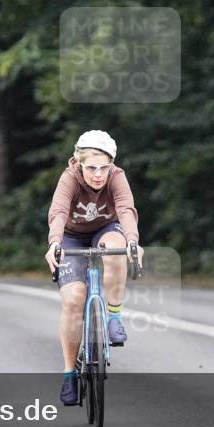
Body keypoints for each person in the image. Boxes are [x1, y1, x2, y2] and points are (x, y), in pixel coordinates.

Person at [45, 130, 144, 406]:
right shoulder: (69, 178)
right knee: (74, 299)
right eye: (92, 168)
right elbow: (59, 212)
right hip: (70, 235)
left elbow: (125, 209)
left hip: (105, 229)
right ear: (79, 163)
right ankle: (69, 375)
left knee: (116, 251)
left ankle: (113, 317)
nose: (98, 174)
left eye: (104, 167)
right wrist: (54, 243)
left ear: (111, 164)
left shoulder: (116, 176)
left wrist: (133, 241)